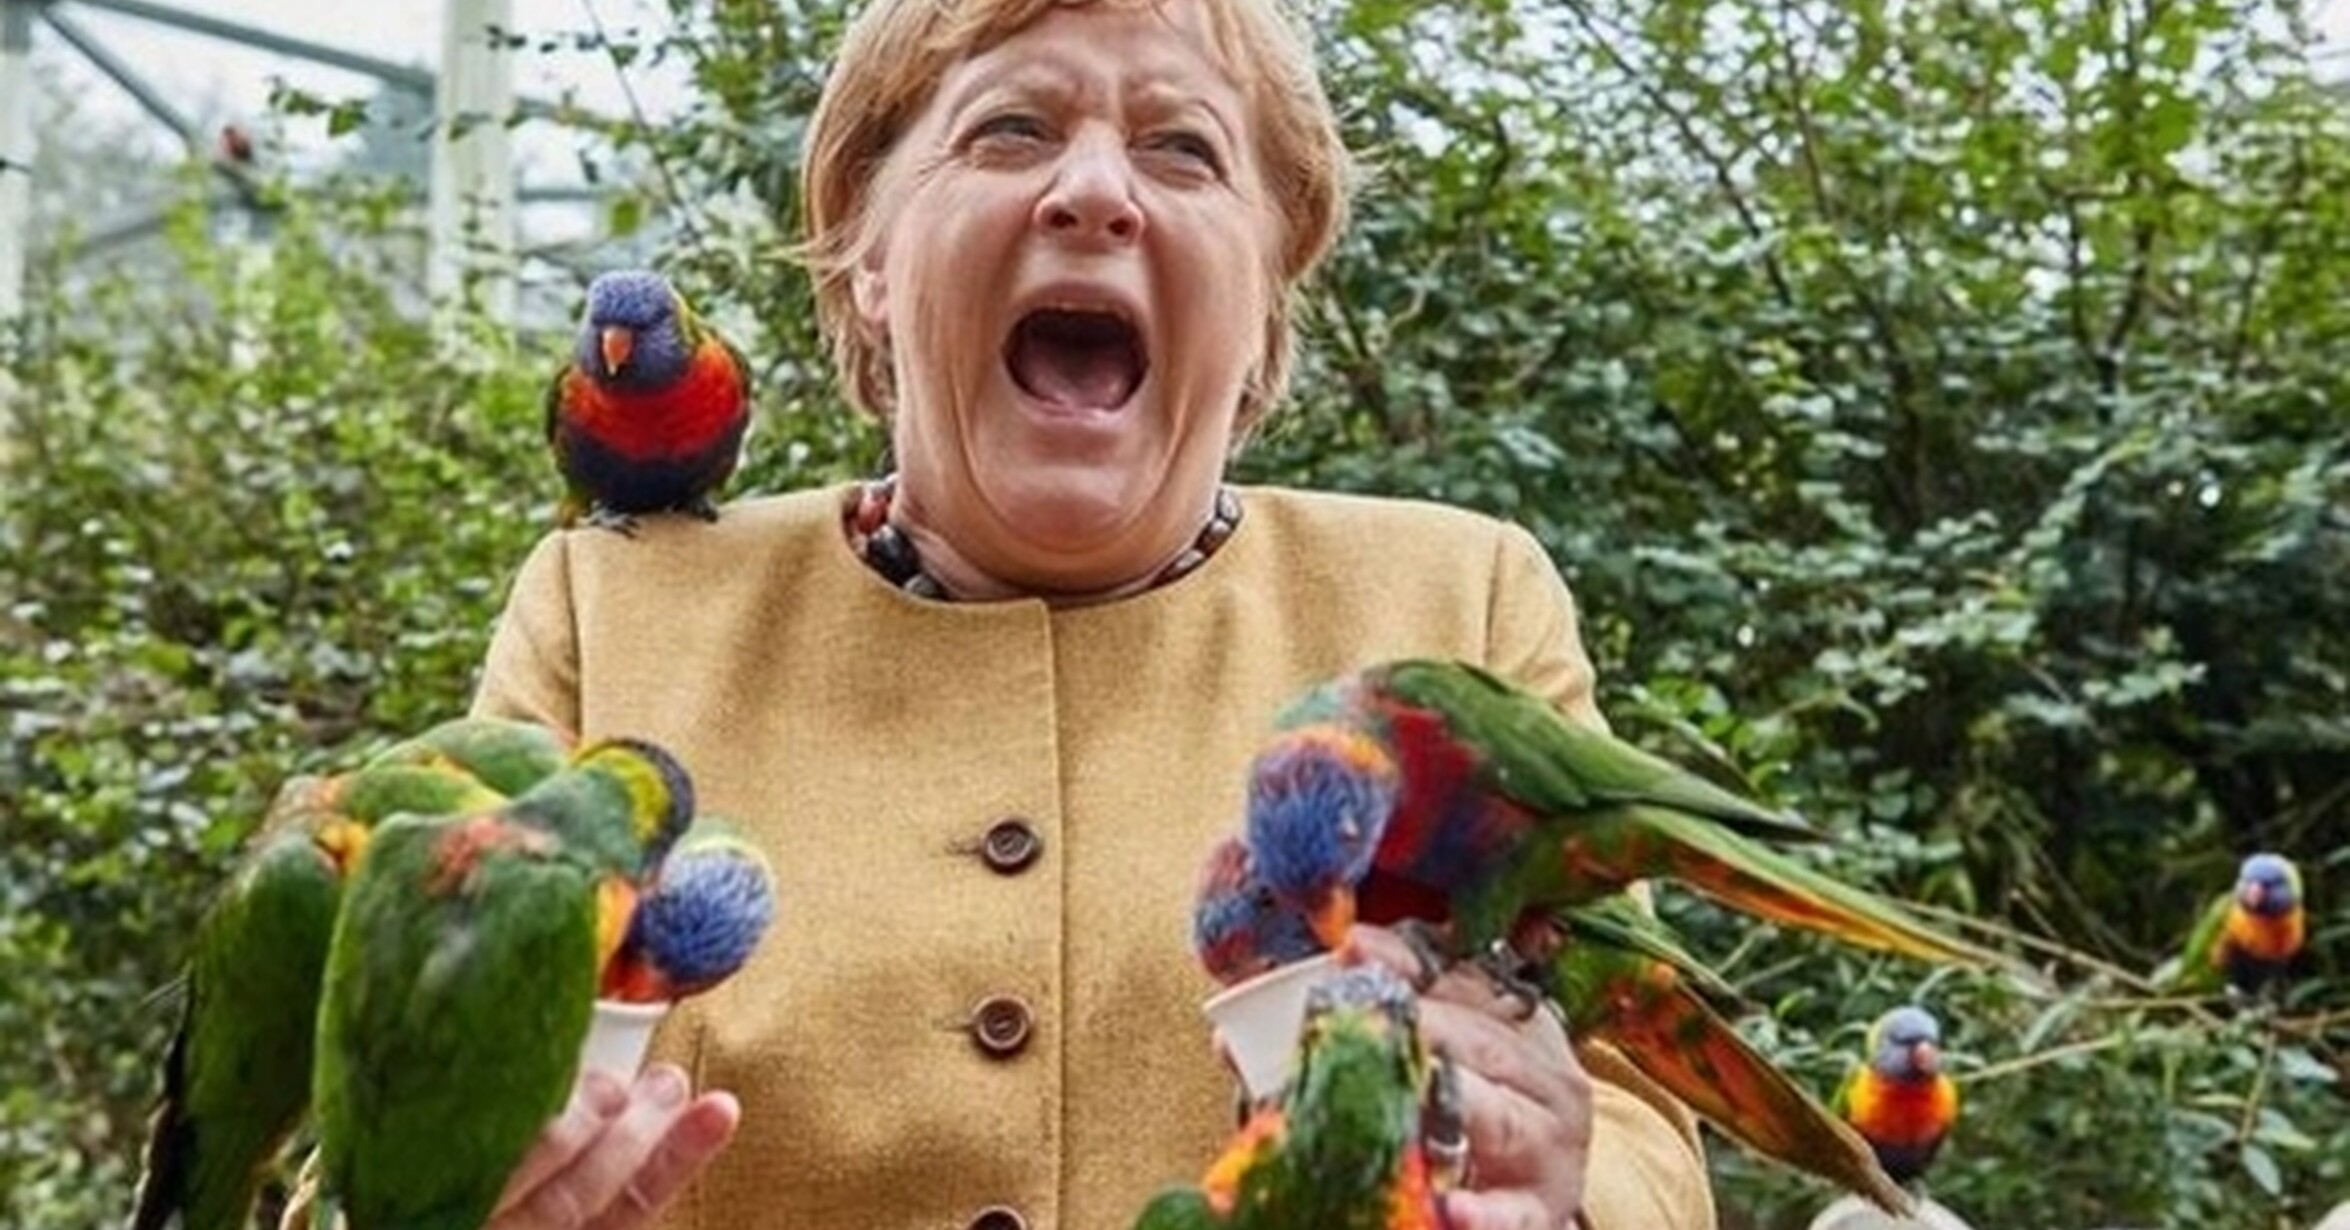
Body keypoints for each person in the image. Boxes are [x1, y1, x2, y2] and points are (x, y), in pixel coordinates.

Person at [460, 1, 1720, 1228]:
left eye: (1184, 149)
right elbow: (401, 1081)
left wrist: (1553, 1190)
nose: (1095, 193)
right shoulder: (612, 609)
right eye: (1009, 129)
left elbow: (1640, 1128)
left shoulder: (1457, 603)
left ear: (1264, 291)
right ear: (869, 256)